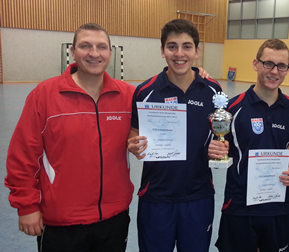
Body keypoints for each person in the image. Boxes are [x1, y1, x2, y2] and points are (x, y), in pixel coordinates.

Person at [4, 23, 135, 251]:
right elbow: (23, 154)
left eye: (101, 47)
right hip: (61, 221)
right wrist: (26, 206)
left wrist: (197, 75)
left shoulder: (129, 96)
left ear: (110, 53)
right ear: (73, 52)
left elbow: (166, 109)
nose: (94, 53)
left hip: (114, 217)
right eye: (85, 46)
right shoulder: (44, 95)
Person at [126, 19, 222, 252]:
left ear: (197, 51)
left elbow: (221, 134)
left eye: (187, 46)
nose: (179, 54)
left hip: (198, 196)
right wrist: (133, 144)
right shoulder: (145, 92)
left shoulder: (213, 91)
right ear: (162, 51)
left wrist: (220, 149)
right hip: (156, 196)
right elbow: (134, 132)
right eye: (172, 46)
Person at [208, 39, 289, 252]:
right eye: (268, 63)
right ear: (255, 64)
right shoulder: (232, 108)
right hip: (240, 207)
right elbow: (217, 150)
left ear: (288, 69)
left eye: (282, 66)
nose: (274, 71)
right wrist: (215, 152)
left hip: (278, 208)